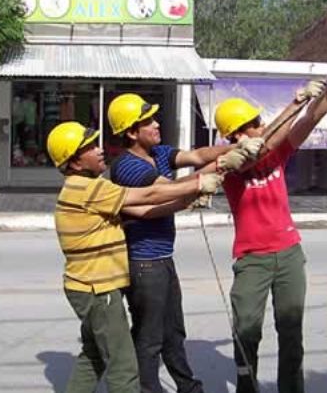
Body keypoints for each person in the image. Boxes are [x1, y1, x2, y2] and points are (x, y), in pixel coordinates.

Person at [47, 121, 223, 393]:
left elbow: (143, 211)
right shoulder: (89, 189)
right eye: (90, 148)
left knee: (93, 356)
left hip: (86, 287)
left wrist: (188, 201)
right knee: (124, 366)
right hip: (98, 290)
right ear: (75, 162)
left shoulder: (86, 187)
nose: (100, 150)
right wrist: (198, 182)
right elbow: (150, 193)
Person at [213, 51, 327, 393]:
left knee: (291, 333)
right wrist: (294, 104)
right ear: (235, 136)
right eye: (254, 124)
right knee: (247, 331)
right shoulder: (227, 161)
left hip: (289, 253)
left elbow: (315, 116)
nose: (261, 127)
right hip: (252, 260)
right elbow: (254, 153)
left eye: (261, 121)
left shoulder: (278, 151)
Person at [106, 93, 263, 393]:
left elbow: (197, 156)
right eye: (147, 121)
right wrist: (217, 171)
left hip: (163, 258)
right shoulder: (127, 166)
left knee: (173, 332)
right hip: (142, 262)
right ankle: (147, 388)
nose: (155, 124)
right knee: (149, 337)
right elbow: (170, 190)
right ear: (131, 132)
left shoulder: (159, 153)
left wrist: (236, 147)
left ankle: (188, 387)